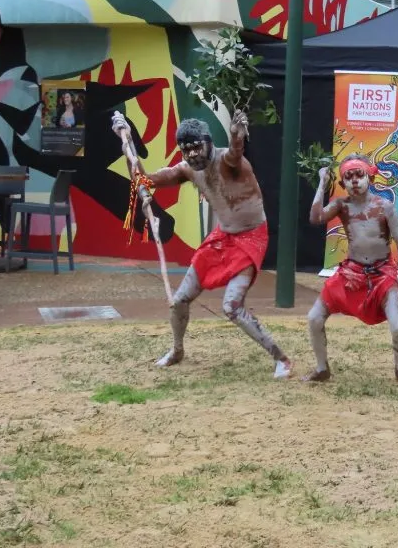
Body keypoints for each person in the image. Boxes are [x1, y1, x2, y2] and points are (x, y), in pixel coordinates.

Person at [111, 110, 294, 377]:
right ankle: (177, 349)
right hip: (222, 238)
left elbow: (235, 153)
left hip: (251, 238)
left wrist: (236, 135)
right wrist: (125, 141)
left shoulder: (230, 162)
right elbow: (144, 179)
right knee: (180, 300)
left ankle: (281, 358)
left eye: (197, 147)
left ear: (208, 142)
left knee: (231, 306)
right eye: (186, 150)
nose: (192, 154)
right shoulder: (186, 170)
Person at [304, 154, 398, 385]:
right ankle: (322, 368)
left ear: (370, 178)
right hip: (351, 273)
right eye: (349, 176)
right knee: (314, 318)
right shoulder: (341, 206)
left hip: (382, 274)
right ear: (343, 183)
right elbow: (315, 218)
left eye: (359, 174)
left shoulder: (384, 207)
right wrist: (322, 183)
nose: (355, 180)